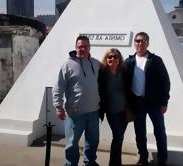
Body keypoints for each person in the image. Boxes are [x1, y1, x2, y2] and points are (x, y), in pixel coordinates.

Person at [52, 36, 100, 166]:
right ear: (76, 47)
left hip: (94, 112)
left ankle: (89, 162)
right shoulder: (67, 64)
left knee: (93, 140)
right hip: (75, 114)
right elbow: (58, 87)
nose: (83, 49)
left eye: (86, 46)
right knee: (72, 143)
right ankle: (70, 164)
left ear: (90, 47)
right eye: (80, 46)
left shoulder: (96, 63)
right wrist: (58, 107)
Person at [124, 32, 170, 166]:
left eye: (143, 41)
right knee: (140, 133)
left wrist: (164, 102)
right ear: (134, 43)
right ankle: (143, 158)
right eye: (137, 41)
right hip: (138, 103)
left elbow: (165, 82)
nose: (140, 43)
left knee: (160, 132)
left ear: (148, 43)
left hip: (154, 103)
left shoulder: (156, 60)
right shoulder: (129, 61)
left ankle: (162, 160)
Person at [98, 48, 128, 166]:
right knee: (118, 136)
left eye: (115, 56)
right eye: (110, 57)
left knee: (119, 138)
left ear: (119, 59)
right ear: (106, 59)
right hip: (112, 112)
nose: (112, 59)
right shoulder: (102, 73)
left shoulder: (124, 71)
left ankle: (115, 162)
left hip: (125, 112)